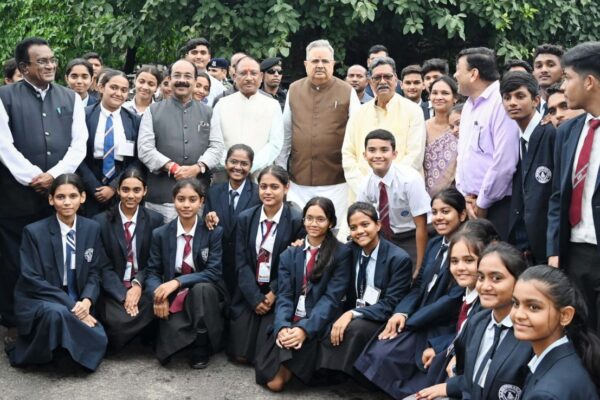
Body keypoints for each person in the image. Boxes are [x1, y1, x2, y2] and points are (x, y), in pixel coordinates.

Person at [0, 37, 88, 341]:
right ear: (24, 68)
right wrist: (32, 176)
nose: (51, 65)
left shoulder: (70, 97)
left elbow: (79, 145)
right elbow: (3, 145)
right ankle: (14, 320)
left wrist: (53, 176)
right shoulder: (4, 96)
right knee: (14, 262)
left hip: (59, 193)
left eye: (52, 59)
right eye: (42, 61)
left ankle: (58, 318)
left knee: (56, 260)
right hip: (16, 197)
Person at [353, 191, 469, 398]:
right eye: (434, 212)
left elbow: (452, 300)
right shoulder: (434, 244)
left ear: (462, 215)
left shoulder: (468, 251)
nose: (439, 217)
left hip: (444, 325)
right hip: (418, 317)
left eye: (446, 211)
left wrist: (411, 322)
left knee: (415, 366)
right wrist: (402, 313)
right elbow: (417, 286)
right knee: (380, 352)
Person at [6, 173, 108, 371]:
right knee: (56, 313)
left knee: (100, 338)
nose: (67, 202)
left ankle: (66, 350)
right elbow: (32, 278)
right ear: (51, 199)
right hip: (41, 297)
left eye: (73, 196)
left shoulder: (92, 228)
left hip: (78, 297)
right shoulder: (33, 232)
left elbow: (95, 271)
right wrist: (73, 306)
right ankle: (45, 353)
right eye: (61, 197)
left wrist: (86, 301)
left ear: (83, 197)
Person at [254, 197, 352, 391]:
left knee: (276, 383)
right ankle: (289, 352)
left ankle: (300, 362)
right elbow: (284, 296)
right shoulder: (290, 254)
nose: (313, 224)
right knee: (273, 382)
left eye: (320, 219)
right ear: (303, 220)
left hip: (318, 321)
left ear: (331, 222)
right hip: (291, 319)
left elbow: (331, 299)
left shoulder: (341, 253)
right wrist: (282, 326)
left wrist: (304, 330)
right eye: (309, 218)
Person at [418, 242, 531, 400]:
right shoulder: (477, 321)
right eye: (481, 277)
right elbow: (471, 378)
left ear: (519, 281)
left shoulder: (531, 335)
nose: (485, 286)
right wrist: (449, 386)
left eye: (496, 278)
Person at [317, 202, 412, 381]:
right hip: (354, 308)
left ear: (378, 225)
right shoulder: (349, 251)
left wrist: (353, 313)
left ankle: (340, 374)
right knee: (325, 316)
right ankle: (325, 370)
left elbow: (390, 304)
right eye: (353, 227)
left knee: (355, 328)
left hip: (381, 316)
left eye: (365, 224)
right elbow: (323, 248)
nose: (359, 231)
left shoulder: (398, 259)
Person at [144, 178, 228, 369]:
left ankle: (201, 343)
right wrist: (158, 295)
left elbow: (213, 272)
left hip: (206, 291)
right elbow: (153, 271)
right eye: (181, 199)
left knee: (201, 289)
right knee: (166, 346)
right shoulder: (161, 233)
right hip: (177, 293)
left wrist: (177, 282)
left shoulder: (213, 232)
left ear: (202, 201)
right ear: (173, 200)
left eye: (192, 199)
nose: (186, 205)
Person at [547, 41, 600, 331]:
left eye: (568, 78)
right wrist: (554, 249)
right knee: (580, 333)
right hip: (575, 252)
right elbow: (558, 196)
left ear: (589, 81)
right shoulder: (568, 131)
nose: (563, 87)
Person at [228, 165, 304, 364]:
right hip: (250, 289)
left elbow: (295, 269)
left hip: (279, 290)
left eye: (274, 187)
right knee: (240, 355)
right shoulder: (246, 218)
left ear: (286, 188)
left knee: (261, 353)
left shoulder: (297, 221)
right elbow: (241, 261)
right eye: (263, 187)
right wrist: (254, 297)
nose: (268, 192)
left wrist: (273, 293)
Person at [277, 39, 360, 223]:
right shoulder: (294, 89)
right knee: (300, 231)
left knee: (335, 232)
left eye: (325, 61)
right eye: (315, 61)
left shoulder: (347, 91)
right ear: (306, 64)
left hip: (337, 182)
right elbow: (286, 134)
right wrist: (282, 172)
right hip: (299, 181)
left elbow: (358, 136)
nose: (320, 65)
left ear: (333, 64)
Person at [137, 59, 223, 223]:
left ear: (195, 81)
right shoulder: (153, 111)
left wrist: (198, 168)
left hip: (196, 196)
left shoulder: (208, 112)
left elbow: (217, 147)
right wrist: (173, 167)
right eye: (177, 75)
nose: (182, 80)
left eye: (187, 76)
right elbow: (145, 148)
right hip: (161, 196)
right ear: (169, 79)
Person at [93, 168, 163, 352]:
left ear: (145, 191)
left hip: (142, 284)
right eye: (125, 190)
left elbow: (154, 261)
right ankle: (139, 329)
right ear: (117, 190)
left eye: (136, 190)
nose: (130, 195)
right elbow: (102, 266)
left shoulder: (155, 220)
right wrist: (124, 296)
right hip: (113, 287)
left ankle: (130, 328)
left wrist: (137, 284)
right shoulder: (100, 222)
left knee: (155, 299)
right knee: (116, 318)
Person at [454, 47, 520, 240]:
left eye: (458, 69)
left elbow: (504, 162)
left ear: (474, 74)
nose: (455, 75)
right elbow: (463, 155)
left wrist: (482, 202)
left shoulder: (501, 101)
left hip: (497, 205)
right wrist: (465, 196)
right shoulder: (467, 106)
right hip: (471, 203)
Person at [342, 56, 425, 198]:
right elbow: (348, 154)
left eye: (387, 77)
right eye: (377, 78)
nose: (382, 82)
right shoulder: (358, 114)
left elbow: (414, 156)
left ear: (396, 79)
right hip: (363, 193)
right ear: (370, 82)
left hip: (402, 192)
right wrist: (365, 187)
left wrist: (388, 185)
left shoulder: (413, 111)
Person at [512, 265, 600, 400]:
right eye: (516, 303)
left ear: (565, 315)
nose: (518, 314)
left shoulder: (547, 393)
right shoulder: (573, 355)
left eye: (533, 307)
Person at [500, 71, 555, 265]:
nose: (512, 103)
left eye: (520, 96)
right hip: (523, 235)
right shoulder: (516, 137)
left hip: (546, 238)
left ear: (536, 100)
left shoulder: (549, 132)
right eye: (507, 98)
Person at [357, 129, 431, 269]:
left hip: (413, 235)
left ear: (394, 154)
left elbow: (421, 226)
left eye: (384, 150)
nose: (378, 155)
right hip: (385, 236)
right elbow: (362, 219)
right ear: (365, 155)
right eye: (372, 150)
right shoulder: (365, 184)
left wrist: (419, 267)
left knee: (411, 276)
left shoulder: (410, 179)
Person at [77, 70, 141, 217]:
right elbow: (76, 153)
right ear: (101, 87)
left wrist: (114, 187)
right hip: (89, 179)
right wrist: (93, 186)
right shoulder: (83, 115)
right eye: (113, 87)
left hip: (122, 182)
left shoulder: (134, 120)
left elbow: (138, 159)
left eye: (124, 90)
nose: (118, 93)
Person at [204, 144, 261, 295]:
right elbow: (207, 226)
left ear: (251, 166)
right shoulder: (214, 192)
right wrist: (207, 220)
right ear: (226, 163)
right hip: (218, 263)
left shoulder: (258, 194)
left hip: (246, 265)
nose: (238, 167)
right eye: (233, 162)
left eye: (244, 163)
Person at [212, 56, 283, 174]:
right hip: (226, 173)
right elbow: (216, 141)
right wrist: (232, 165)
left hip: (260, 174)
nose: (249, 78)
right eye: (243, 73)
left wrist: (251, 166)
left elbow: (275, 143)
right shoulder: (222, 104)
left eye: (253, 73)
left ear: (260, 77)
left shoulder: (273, 105)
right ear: (234, 77)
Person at [424, 76, 459, 196]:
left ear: (455, 98)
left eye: (445, 93)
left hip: (455, 195)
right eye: (434, 93)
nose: (439, 97)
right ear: (429, 97)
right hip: (423, 195)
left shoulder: (461, 129)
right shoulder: (422, 127)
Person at [182, 38, 225, 106]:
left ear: (209, 57)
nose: (198, 56)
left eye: (203, 53)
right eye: (194, 52)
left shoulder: (219, 88)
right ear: (186, 56)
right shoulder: (177, 82)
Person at [532, 44, 565, 113]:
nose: (544, 70)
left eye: (550, 65)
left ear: (563, 71)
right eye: (539, 66)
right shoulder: (530, 107)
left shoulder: (574, 104)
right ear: (533, 72)